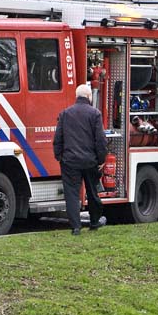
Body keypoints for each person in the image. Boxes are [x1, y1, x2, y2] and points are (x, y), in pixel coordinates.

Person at [53, 83, 109, 235]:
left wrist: (59, 156)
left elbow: (58, 137)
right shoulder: (95, 114)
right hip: (90, 161)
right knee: (92, 192)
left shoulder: (65, 113)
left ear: (76, 96)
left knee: (71, 193)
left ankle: (75, 227)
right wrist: (101, 159)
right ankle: (95, 221)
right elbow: (100, 140)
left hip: (70, 161)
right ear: (89, 96)